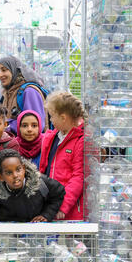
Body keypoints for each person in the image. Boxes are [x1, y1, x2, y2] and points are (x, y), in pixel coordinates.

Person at [0, 149, 65, 222]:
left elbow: (59, 193)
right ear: (0, 176)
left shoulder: (41, 183)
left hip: (35, 230)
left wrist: (46, 214)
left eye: (18, 169)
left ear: (24, 168)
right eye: (9, 173)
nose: (15, 175)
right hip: (10, 232)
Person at [39, 91, 86, 221]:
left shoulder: (80, 140)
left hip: (68, 210)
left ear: (63, 117)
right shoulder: (52, 138)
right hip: (50, 205)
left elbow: (78, 177)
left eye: (52, 116)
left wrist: (62, 206)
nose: (51, 120)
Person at [0, 55, 49, 136]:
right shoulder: (8, 92)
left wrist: (7, 126)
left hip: (31, 147)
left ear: (14, 70)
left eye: (4, 70)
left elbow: (37, 125)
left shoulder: (29, 92)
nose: (0, 75)